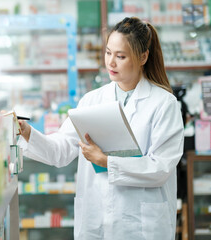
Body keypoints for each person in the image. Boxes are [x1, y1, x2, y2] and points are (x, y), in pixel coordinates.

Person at [18, 17, 184, 240]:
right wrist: (26, 132)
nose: (111, 63)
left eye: (120, 56)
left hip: (141, 227)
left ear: (143, 57)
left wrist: (106, 162)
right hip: (96, 222)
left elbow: (161, 168)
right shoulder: (92, 101)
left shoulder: (164, 104)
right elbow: (60, 151)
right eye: (108, 53)